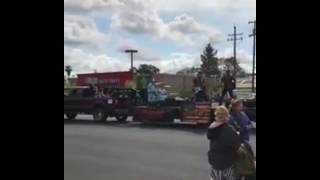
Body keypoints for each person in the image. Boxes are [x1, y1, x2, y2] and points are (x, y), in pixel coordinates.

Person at [207, 106, 241, 180]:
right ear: (225, 116)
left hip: (214, 161)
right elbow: (236, 144)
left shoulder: (212, 127)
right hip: (226, 161)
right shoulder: (228, 129)